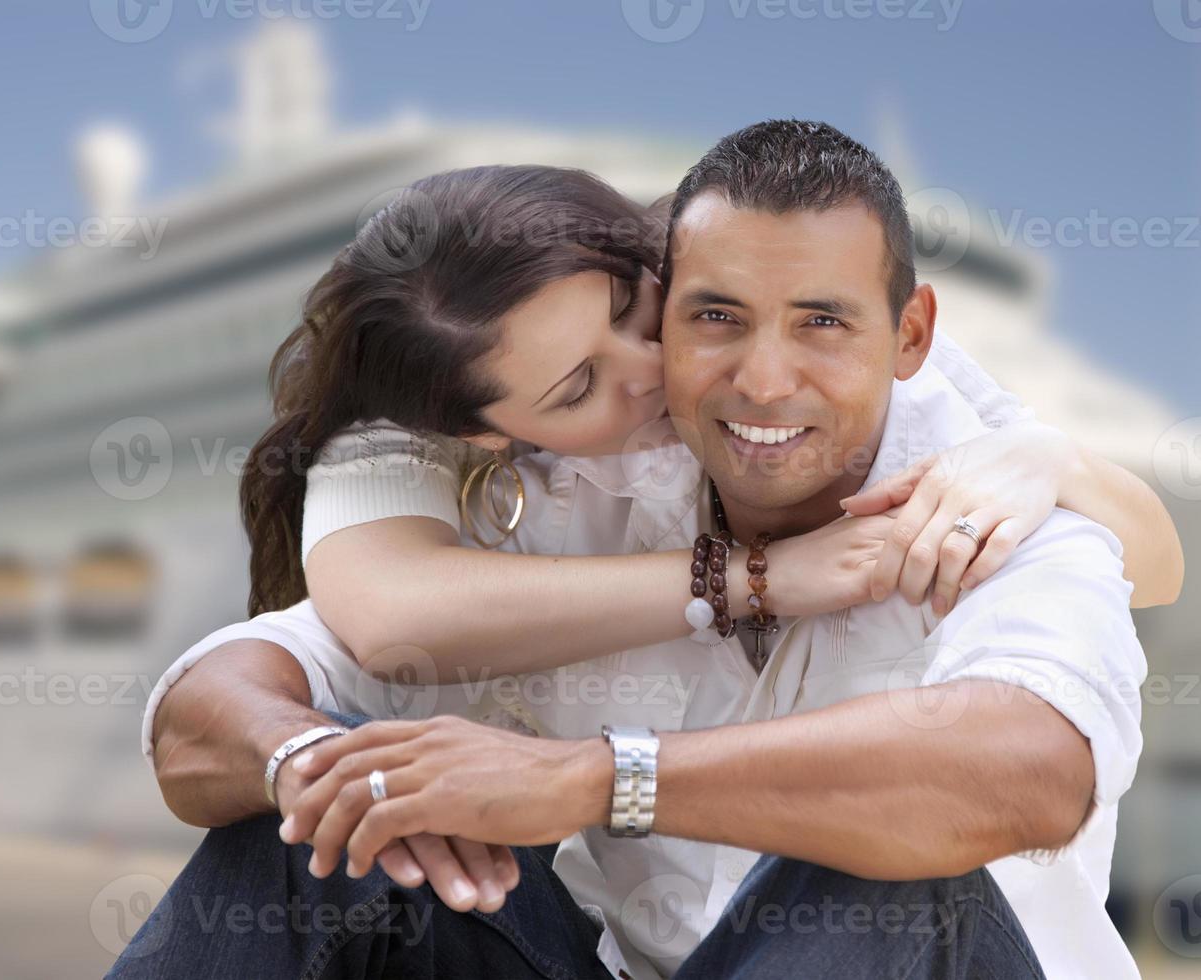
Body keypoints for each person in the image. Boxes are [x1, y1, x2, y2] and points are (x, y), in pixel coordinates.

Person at [117, 122, 1166, 979]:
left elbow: (1023, 770)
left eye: (821, 324)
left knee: (901, 852)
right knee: (312, 832)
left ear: (909, 334)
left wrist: (595, 779)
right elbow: (215, 705)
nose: (760, 379)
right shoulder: (561, 494)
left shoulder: (988, 489)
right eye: (712, 317)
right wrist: (314, 766)